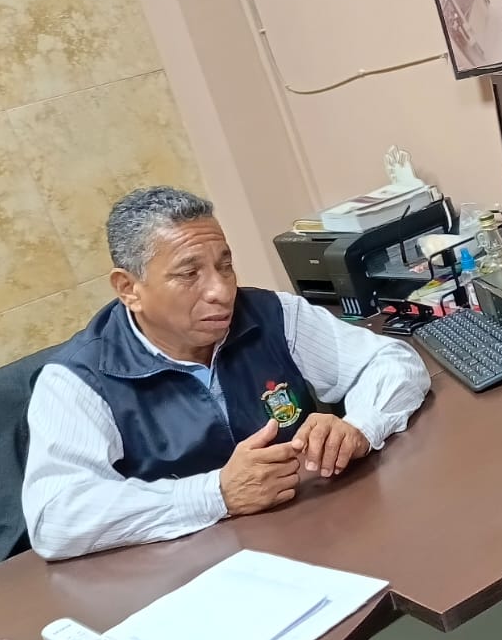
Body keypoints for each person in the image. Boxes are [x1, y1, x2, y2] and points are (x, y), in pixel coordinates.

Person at [23, 186, 430, 560]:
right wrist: (216, 494)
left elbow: (393, 362)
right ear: (129, 289)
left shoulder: (272, 315)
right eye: (189, 274)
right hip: (186, 575)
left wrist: (359, 427)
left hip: (313, 539)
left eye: (225, 266)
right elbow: (54, 518)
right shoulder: (77, 380)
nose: (221, 291)